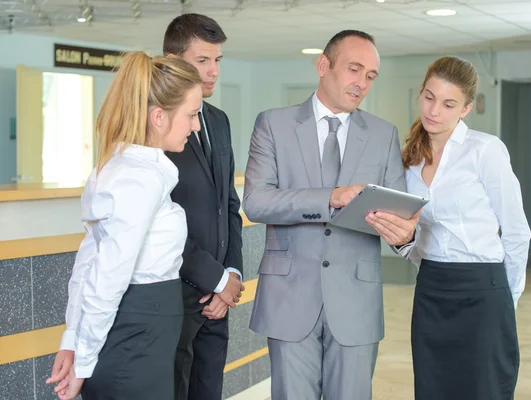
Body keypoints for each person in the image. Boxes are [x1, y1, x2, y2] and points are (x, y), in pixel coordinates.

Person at [243, 30, 419, 400]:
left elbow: (398, 214)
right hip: (289, 299)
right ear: (323, 65)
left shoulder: (384, 135)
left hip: (357, 302)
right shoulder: (273, 124)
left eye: (371, 76)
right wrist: (332, 198)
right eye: (355, 69)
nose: (362, 83)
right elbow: (257, 201)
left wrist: (404, 235)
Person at [44, 51, 204, 400]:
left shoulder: (123, 167)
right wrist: (82, 361)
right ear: (159, 116)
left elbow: (89, 259)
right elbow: (107, 275)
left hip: (144, 335)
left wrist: (74, 340)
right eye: (192, 115)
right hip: (136, 338)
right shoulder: (139, 178)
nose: (195, 126)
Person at [403, 55, 531, 400]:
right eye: (429, 98)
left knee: (484, 391)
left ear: (466, 108)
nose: (434, 111)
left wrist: (508, 299)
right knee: (432, 390)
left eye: (448, 104)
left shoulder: (485, 151)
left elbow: (517, 231)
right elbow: (411, 231)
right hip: (430, 288)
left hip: (483, 292)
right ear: (421, 92)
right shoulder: (409, 158)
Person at [162, 13, 245, 400]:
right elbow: (161, 223)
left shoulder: (219, 121)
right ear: (172, 60)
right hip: (176, 296)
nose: (213, 72)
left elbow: (229, 205)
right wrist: (215, 280)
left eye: (217, 60)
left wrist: (231, 276)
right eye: (202, 61)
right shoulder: (155, 127)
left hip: (219, 299)